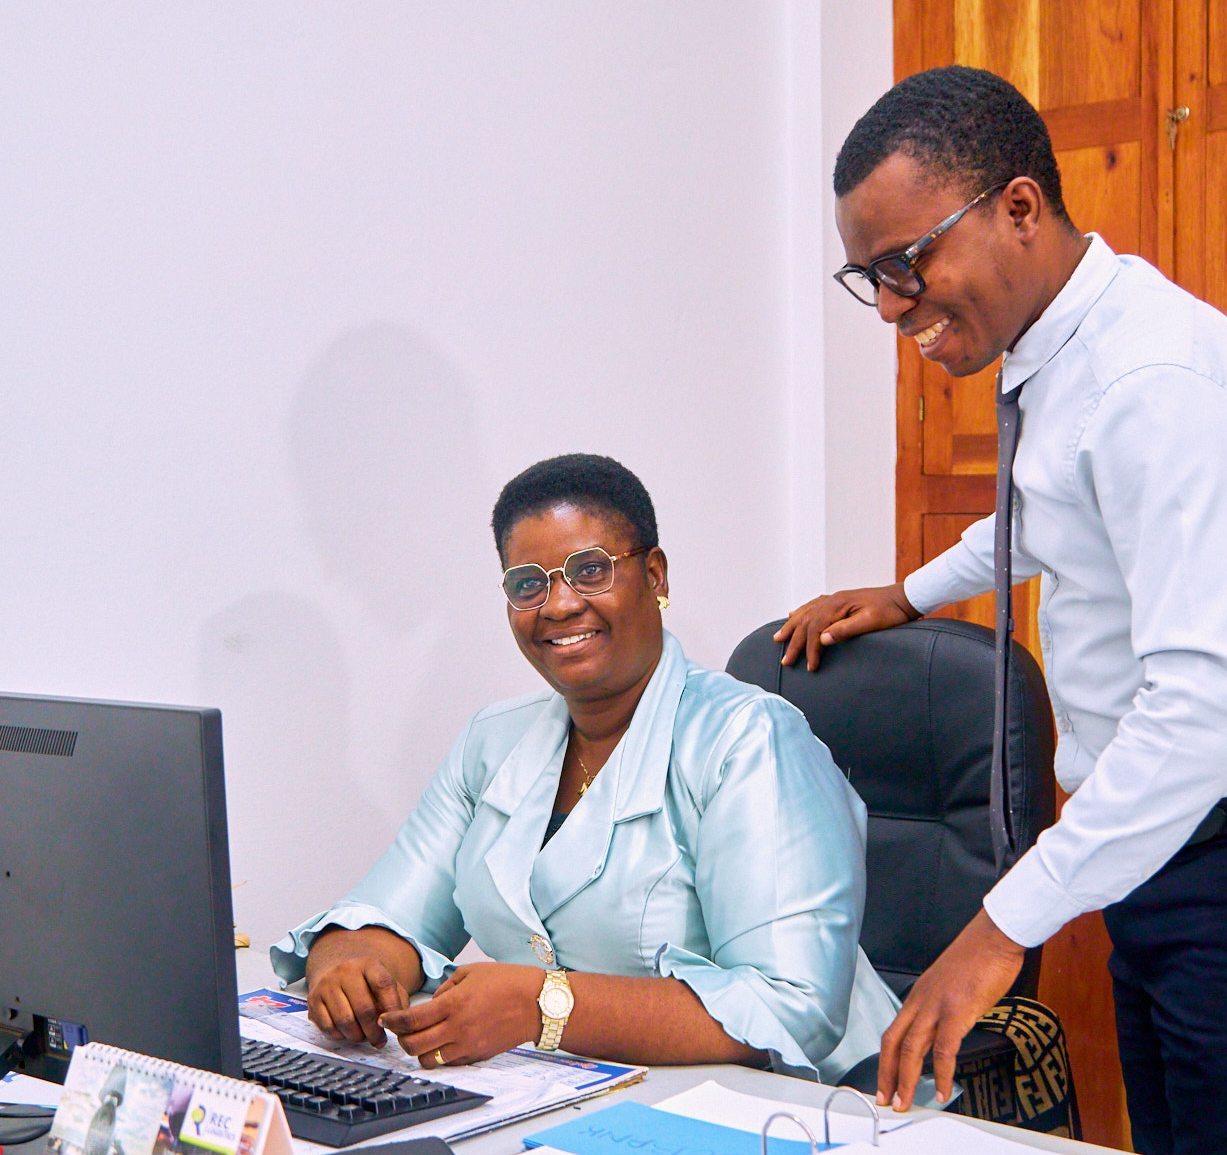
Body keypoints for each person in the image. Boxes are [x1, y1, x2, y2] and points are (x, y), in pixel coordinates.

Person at [776, 66, 1227, 1155]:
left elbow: (1204, 707)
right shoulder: (1072, 354)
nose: (890, 306)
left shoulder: (1155, 383)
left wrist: (997, 930)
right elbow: (1054, 506)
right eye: (868, 277)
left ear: (1017, 208)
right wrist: (908, 593)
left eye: (906, 263)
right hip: (1189, 851)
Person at [271, 453, 900, 1084]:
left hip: (809, 1107)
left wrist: (544, 1007)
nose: (560, 605)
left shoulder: (748, 739)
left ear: (654, 574)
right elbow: (384, 918)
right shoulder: (492, 741)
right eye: (528, 584)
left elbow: (791, 1008)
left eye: (590, 570)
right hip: (584, 1098)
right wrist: (348, 967)